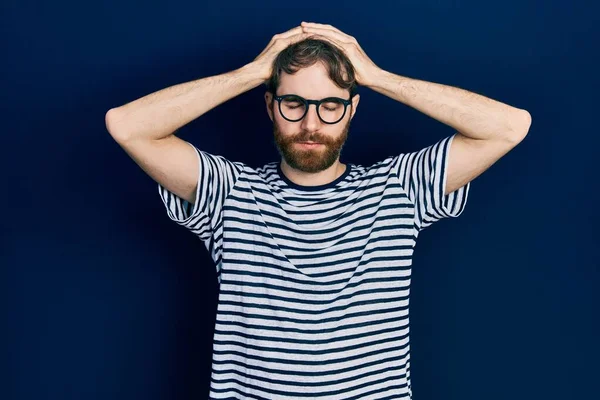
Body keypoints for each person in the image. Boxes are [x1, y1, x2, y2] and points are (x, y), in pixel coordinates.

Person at [106, 22, 531, 400]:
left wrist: (379, 77)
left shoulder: (401, 187)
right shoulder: (229, 192)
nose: (311, 124)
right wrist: (252, 72)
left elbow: (509, 126)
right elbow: (127, 126)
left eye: (330, 105)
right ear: (271, 105)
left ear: (353, 109)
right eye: (294, 104)